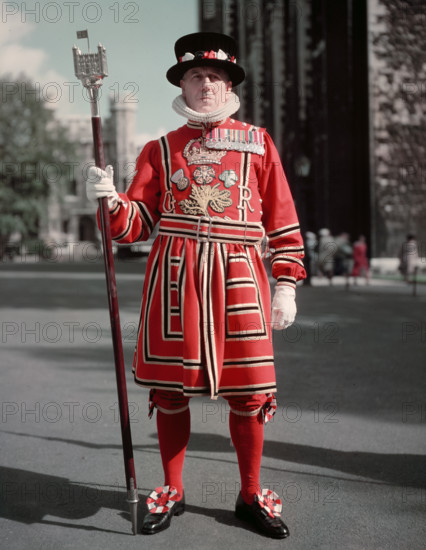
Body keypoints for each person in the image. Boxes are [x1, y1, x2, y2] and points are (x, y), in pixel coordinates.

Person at [86, 32, 305, 539]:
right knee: (169, 391)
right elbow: (135, 226)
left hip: (240, 278)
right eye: (196, 76)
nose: (206, 84)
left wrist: (286, 283)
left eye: (216, 76)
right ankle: (172, 489)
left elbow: (283, 220)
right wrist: (111, 201)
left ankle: (251, 493)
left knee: (250, 394)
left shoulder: (258, 142)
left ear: (229, 84)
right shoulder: (159, 149)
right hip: (175, 281)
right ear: (181, 85)